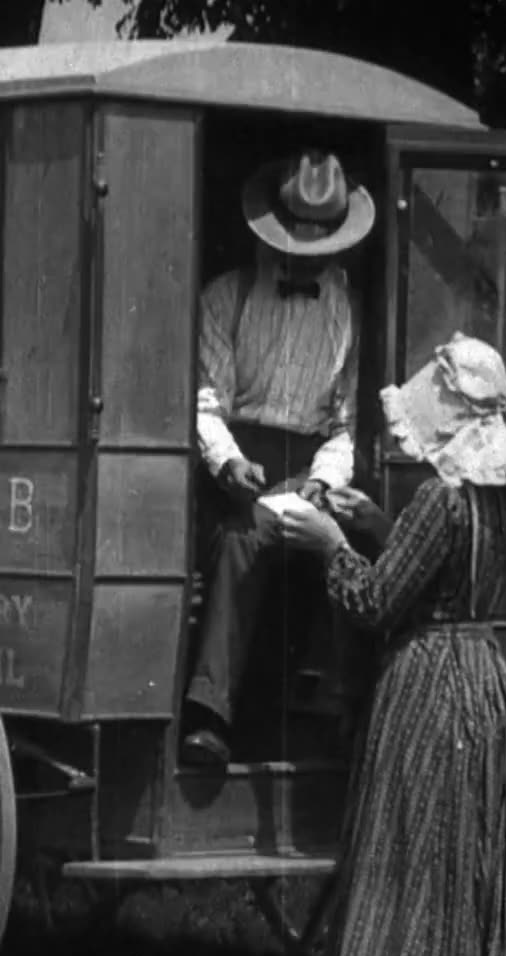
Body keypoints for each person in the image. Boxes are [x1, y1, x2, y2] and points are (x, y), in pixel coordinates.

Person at [279, 332, 506, 956]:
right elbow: (451, 577)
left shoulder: (440, 499)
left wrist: (329, 543)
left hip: (428, 686)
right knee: (473, 864)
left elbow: (376, 601)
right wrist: (384, 527)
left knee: (413, 861)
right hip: (484, 677)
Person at [181, 148, 377, 768]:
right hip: (240, 465)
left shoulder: (349, 310)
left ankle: (336, 716)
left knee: (349, 541)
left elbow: (346, 423)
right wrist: (229, 465)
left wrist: (323, 481)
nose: (307, 259)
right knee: (243, 538)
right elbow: (205, 403)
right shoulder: (226, 296)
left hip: (310, 466)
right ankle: (210, 715)